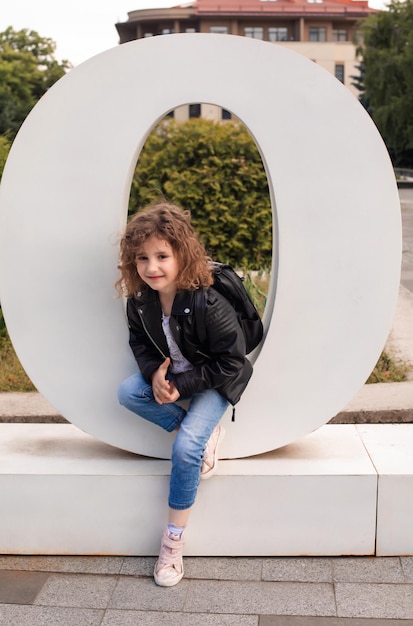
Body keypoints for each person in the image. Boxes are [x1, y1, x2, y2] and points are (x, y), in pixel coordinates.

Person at [116, 200, 254, 587]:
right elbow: (139, 344)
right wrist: (153, 375)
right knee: (128, 393)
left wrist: (182, 386)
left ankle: (172, 545)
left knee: (186, 448)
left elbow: (233, 361)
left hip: (215, 379)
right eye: (142, 258)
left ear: (182, 254)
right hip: (176, 375)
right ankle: (203, 433)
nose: (151, 267)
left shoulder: (207, 301)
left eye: (162, 255)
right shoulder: (140, 301)